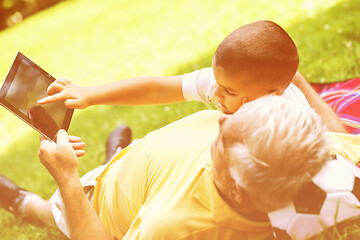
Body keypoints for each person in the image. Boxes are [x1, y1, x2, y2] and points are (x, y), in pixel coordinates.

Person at [0, 96, 332, 239]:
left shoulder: (168, 227)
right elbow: (340, 138)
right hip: (136, 172)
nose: (219, 118)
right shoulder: (303, 150)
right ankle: (114, 153)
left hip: (94, 202)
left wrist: (67, 178)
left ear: (237, 190)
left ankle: (19, 201)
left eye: (222, 138)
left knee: (51, 209)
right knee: (120, 159)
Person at [37, 20, 346, 133]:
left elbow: (342, 144)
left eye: (228, 92)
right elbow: (159, 89)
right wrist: (91, 95)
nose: (216, 94)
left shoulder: (293, 123)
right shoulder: (225, 84)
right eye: (217, 82)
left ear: (269, 98)